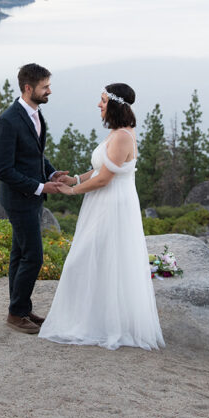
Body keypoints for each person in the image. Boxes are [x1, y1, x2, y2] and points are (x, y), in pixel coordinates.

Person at [38, 83, 164, 350]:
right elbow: (99, 169)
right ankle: (97, 320)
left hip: (112, 205)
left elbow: (104, 179)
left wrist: (72, 191)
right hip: (103, 204)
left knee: (89, 259)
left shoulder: (122, 137)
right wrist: (75, 178)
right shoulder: (117, 133)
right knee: (100, 260)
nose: (99, 104)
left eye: (103, 100)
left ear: (115, 105)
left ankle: (101, 324)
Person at [0, 63, 68, 334]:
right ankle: (16, 314)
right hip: (19, 200)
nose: (49, 90)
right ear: (28, 88)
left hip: (32, 198)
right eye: (44, 87)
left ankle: (20, 308)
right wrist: (41, 186)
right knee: (33, 257)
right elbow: (3, 170)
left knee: (19, 254)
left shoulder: (35, 114)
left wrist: (50, 171)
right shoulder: (8, 120)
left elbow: (34, 154)